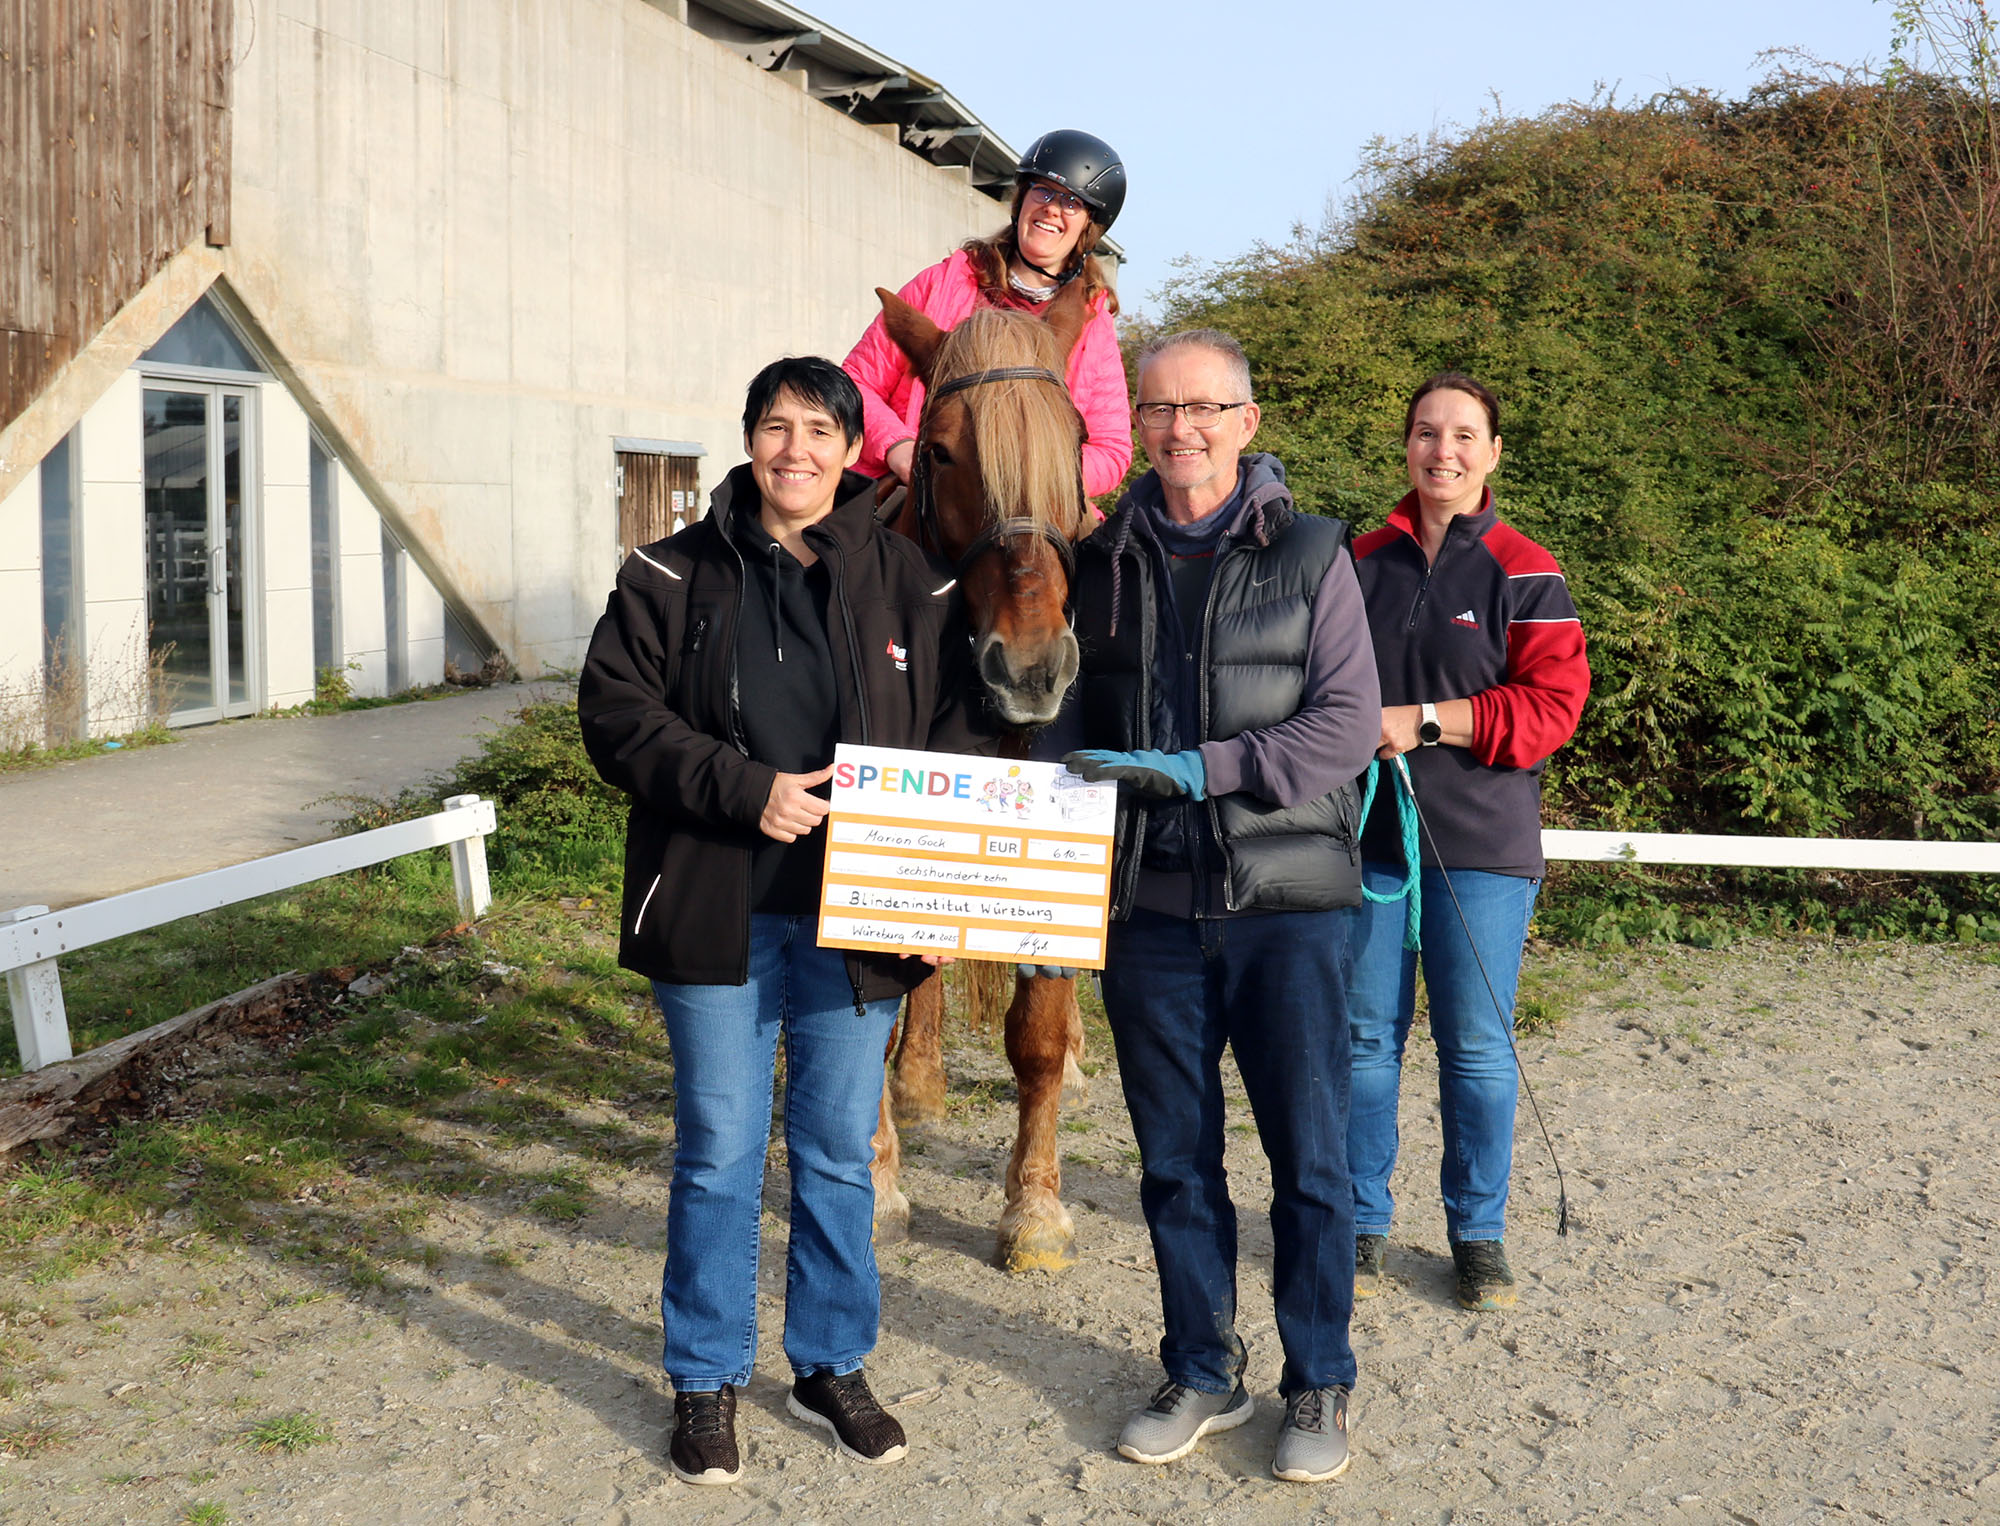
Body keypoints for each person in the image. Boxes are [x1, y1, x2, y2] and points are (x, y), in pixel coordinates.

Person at [577, 357, 985, 1487]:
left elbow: (956, 739)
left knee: (836, 1154)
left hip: (856, 922)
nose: (793, 449)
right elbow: (616, 715)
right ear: (747, 440)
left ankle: (828, 1361)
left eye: (818, 428)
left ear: (855, 449)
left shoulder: (916, 584)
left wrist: (939, 886)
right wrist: (741, 784)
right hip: (715, 911)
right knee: (715, 1151)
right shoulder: (667, 572)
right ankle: (704, 1375)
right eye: (773, 426)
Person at [1057, 329, 1382, 1484]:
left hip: (1283, 907)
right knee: (1175, 1161)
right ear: (1132, 426)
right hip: (1144, 909)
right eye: (1155, 409)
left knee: (1309, 1158)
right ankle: (1200, 1364)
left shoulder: (1309, 553)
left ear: (1247, 422)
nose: (1178, 429)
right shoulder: (1094, 561)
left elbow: (1344, 723)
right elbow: (1056, 723)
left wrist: (1209, 767)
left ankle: (1316, 1378)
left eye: (1202, 408)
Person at [1346, 372, 1589, 1312]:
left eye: (1461, 435)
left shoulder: (1528, 569)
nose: (1440, 450)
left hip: (1482, 846)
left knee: (1477, 1049)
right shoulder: (1358, 560)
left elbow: (1553, 706)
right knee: (1365, 1040)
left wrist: (1426, 721)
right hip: (1368, 840)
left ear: (1491, 453)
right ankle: (1361, 1222)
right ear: (1405, 446)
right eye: (1423, 432)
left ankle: (1476, 1236)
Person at [842, 128, 1133, 499]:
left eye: (1071, 203)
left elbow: (1111, 448)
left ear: (1088, 225)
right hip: (918, 486)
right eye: (1042, 191)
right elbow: (854, 383)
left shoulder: (1094, 324)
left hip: (1032, 502)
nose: (1052, 209)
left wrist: (1033, 473)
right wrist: (897, 446)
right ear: (1021, 200)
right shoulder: (941, 284)